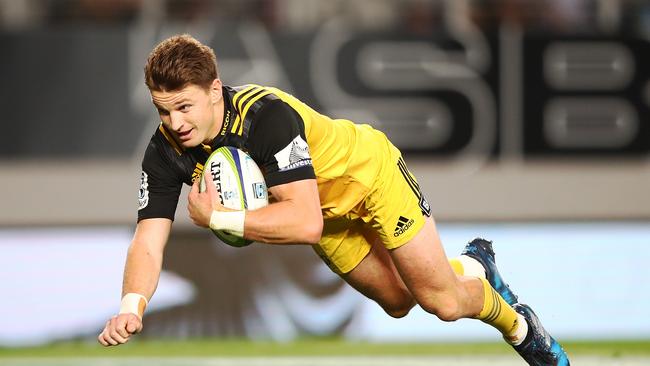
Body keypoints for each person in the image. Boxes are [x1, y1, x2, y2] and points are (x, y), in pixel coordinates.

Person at [98, 34, 570, 365]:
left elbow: (303, 224)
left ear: (215, 91)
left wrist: (220, 216)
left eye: (185, 107)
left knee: (441, 302)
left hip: (369, 177)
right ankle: (476, 265)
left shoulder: (265, 118)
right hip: (328, 217)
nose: (175, 122)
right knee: (397, 301)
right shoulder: (165, 150)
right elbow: (148, 240)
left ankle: (521, 328)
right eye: (164, 110)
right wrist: (132, 305)